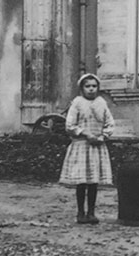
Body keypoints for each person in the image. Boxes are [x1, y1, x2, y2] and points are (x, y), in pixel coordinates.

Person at [59, 74, 114, 224]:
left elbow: (109, 123)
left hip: (96, 146)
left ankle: (91, 212)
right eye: (87, 86)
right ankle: (80, 213)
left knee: (93, 181)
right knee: (82, 181)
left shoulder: (101, 103)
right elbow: (70, 125)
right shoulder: (77, 103)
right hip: (82, 146)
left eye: (94, 86)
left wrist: (103, 136)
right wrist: (85, 133)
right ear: (82, 88)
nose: (91, 89)